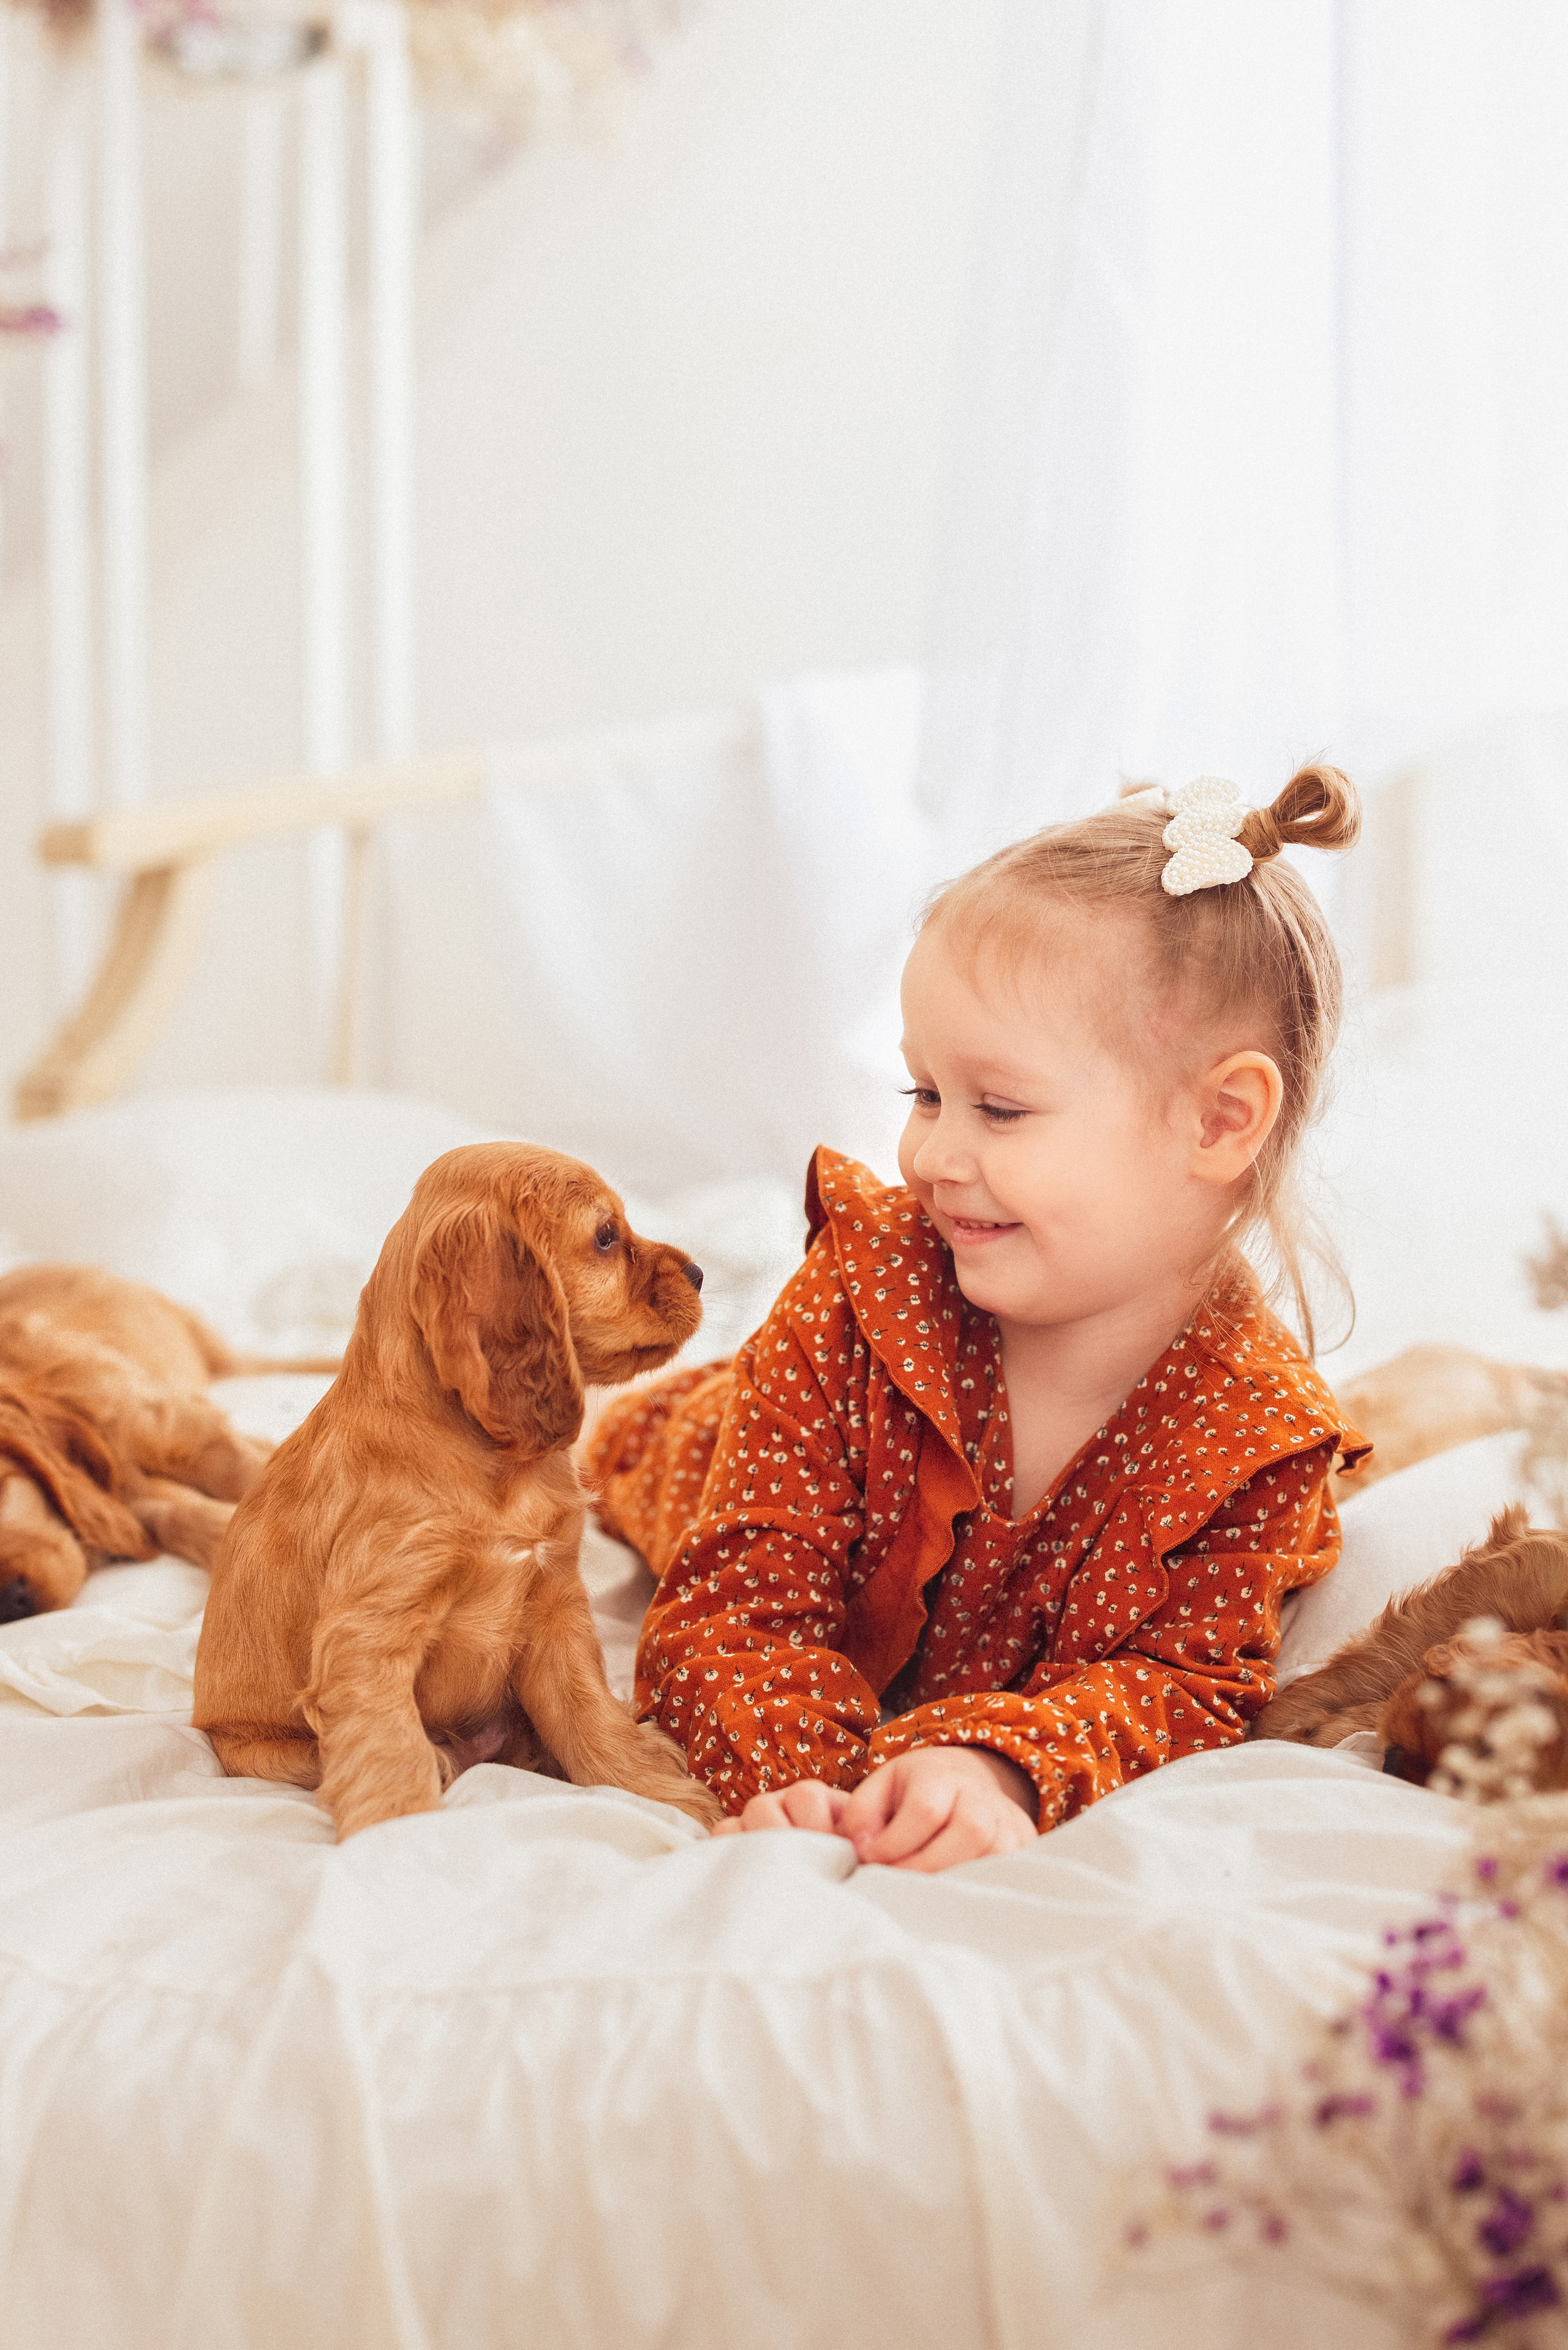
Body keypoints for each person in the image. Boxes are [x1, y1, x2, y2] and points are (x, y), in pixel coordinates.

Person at [588, 768, 1371, 1872]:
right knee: (617, 1441)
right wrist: (826, 1791)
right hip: (718, 1448)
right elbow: (726, 1618)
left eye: (998, 1108)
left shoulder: (1257, 1442)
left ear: (1219, 1121)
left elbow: (1183, 1687)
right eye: (924, 1094)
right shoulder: (864, 1291)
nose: (931, 1156)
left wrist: (994, 1766)